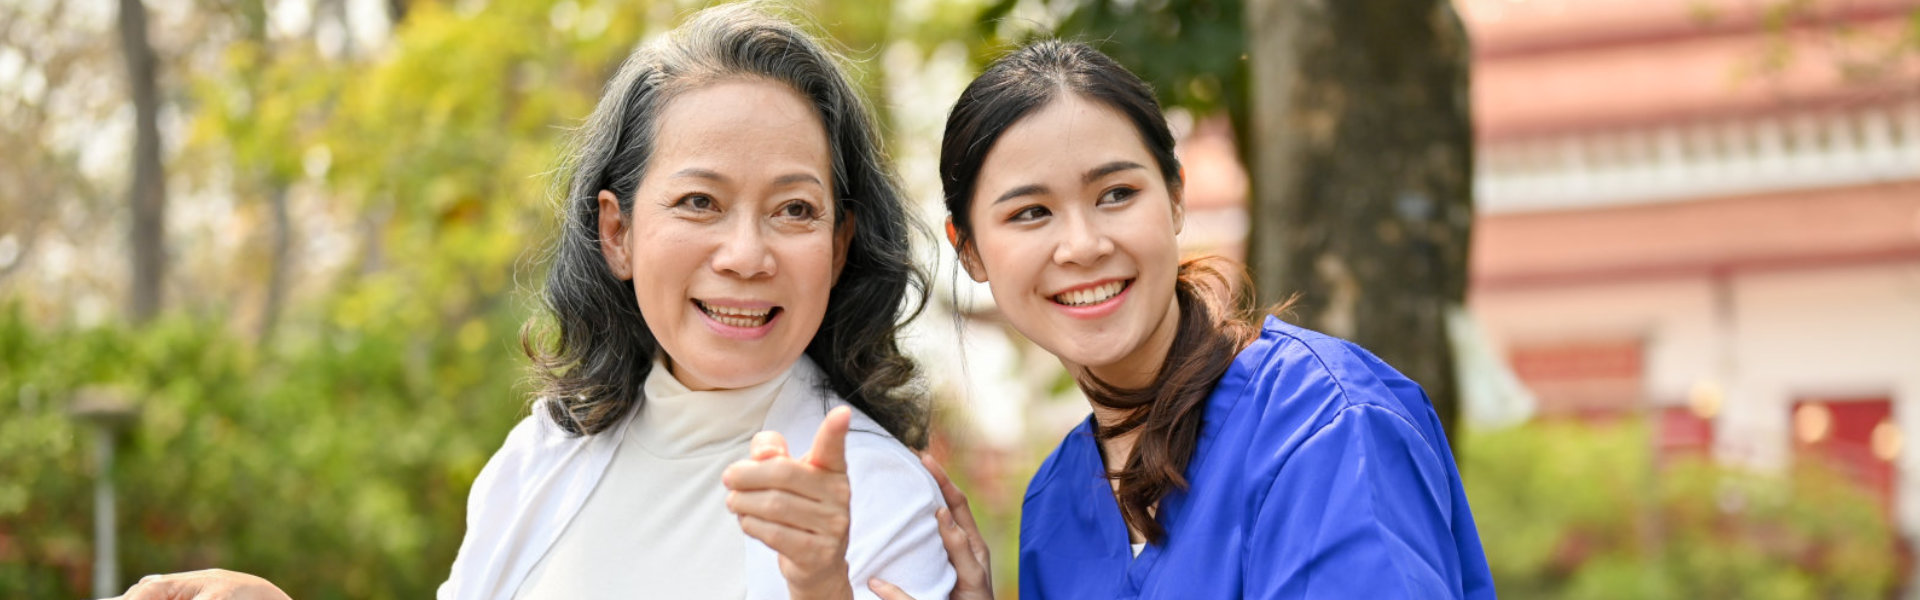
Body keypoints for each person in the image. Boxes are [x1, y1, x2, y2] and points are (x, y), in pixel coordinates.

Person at [111, 5, 954, 600]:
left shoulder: (879, 498)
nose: (745, 253)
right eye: (699, 202)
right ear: (617, 233)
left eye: (794, 210)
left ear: (838, 247)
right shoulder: (545, 454)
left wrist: (819, 589)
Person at [868, 40, 1496, 599]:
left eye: (1116, 194)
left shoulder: (1324, 426)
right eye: (1031, 212)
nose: (1083, 245)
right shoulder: (1057, 507)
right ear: (970, 249)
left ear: (1175, 197)